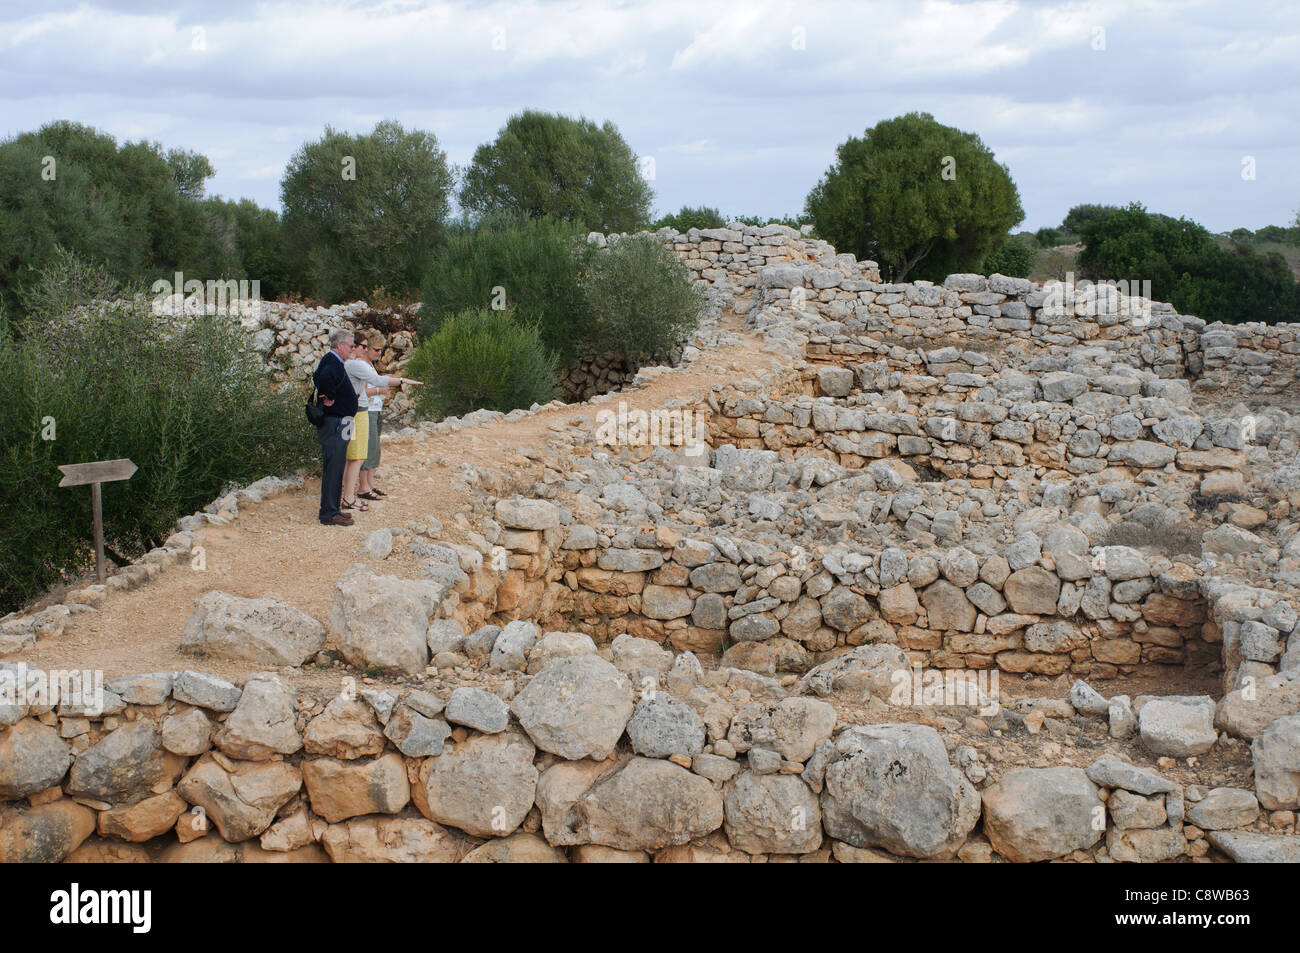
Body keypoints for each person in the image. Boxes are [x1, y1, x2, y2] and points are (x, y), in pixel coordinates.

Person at [311, 329, 358, 526]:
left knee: (337, 465)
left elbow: (317, 376)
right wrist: (327, 396)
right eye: (351, 346)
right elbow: (322, 379)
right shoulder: (332, 361)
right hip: (335, 422)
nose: (353, 349)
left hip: (342, 420)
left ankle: (333, 508)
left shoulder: (334, 361)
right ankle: (329, 513)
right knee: (334, 466)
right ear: (339, 345)